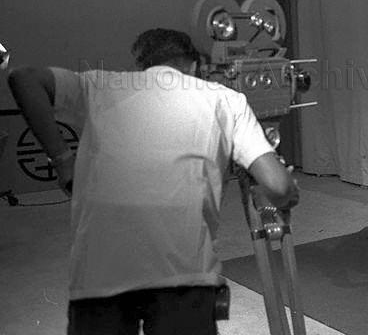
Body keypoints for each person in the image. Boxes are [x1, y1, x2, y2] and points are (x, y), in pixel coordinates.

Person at [8, 28, 299, 335]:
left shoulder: (100, 85)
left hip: (99, 276)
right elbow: (278, 186)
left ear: (142, 65)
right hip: (185, 278)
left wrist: (62, 159)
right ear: (194, 65)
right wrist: (288, 194)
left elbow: (22, 78)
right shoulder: (226, 100)